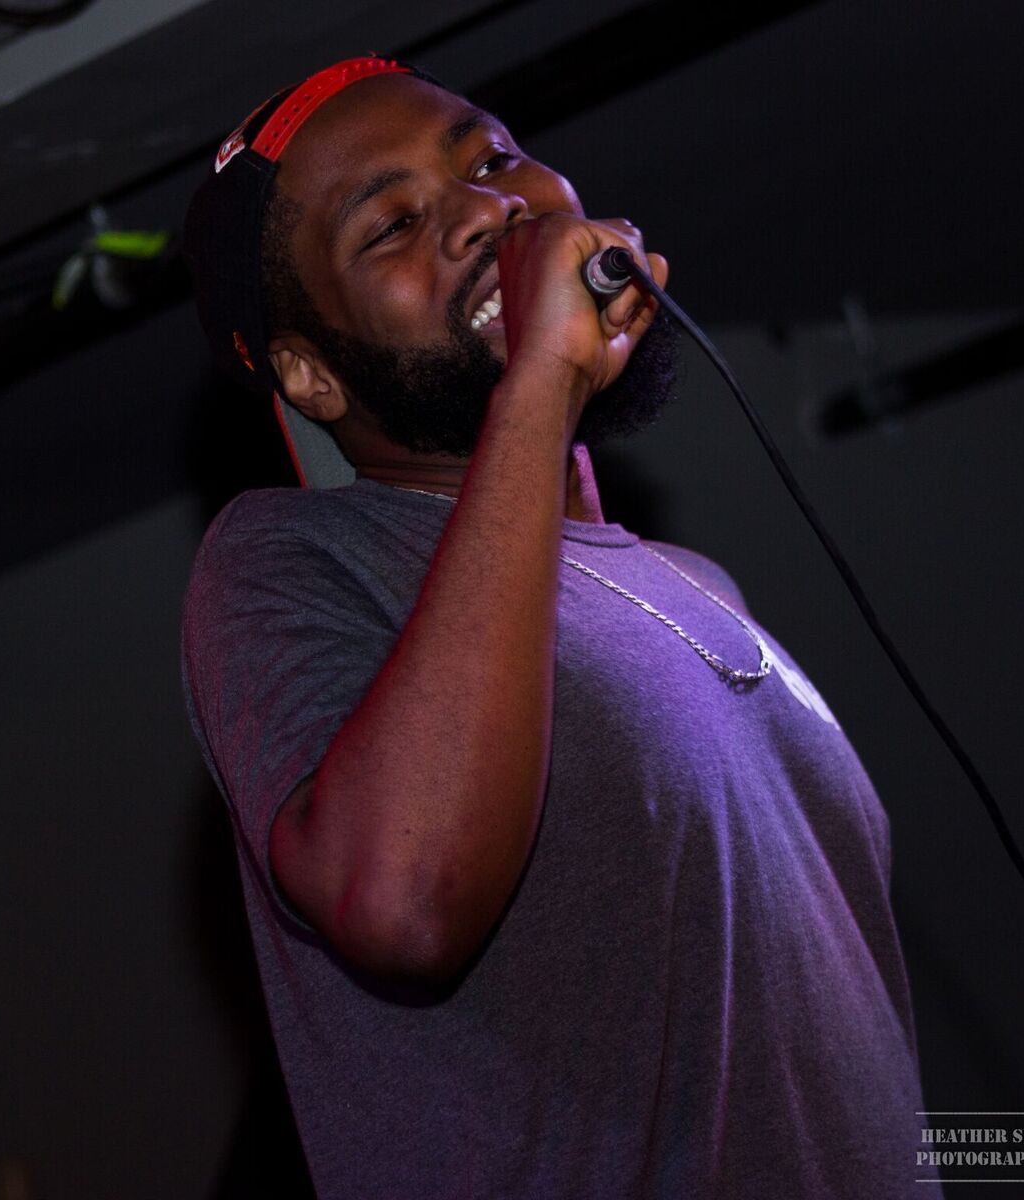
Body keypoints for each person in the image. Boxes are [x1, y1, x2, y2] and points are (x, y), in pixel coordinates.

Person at [179, 57, 927, 1198]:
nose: (486, 209)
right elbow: (405, 902)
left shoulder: (698, 584)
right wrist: (538, 384)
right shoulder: (288, 559)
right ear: (310, 375)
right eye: (391, 226)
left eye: (490, 157)